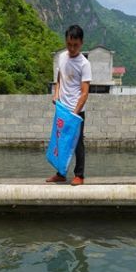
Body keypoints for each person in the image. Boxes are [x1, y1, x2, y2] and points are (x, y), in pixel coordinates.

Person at [47, 25, 91, 186]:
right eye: (69, 44)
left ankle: (79, 175)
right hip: (62, 109)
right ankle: (60, 173)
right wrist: (56, 93)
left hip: (76, 112)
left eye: (76, 45)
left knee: (77, 142)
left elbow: (85, 93)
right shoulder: (62, 57)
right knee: (61, 141)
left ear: (81, 43)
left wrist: (75, 113)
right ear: (66, 41)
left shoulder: (84, 64)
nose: (72, 48)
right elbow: (59, 78)